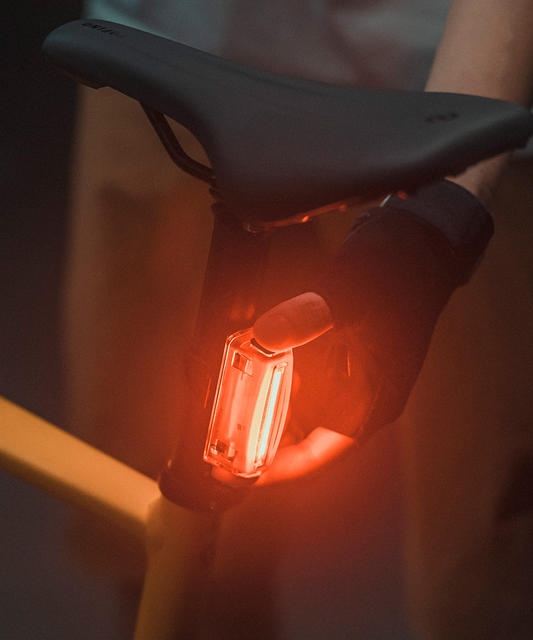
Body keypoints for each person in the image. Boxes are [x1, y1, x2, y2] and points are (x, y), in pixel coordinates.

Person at [66, 0, 533, 637]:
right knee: (165, 555)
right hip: (160, 51)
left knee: (486, 584)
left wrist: (436, 225)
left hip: (462, 92)